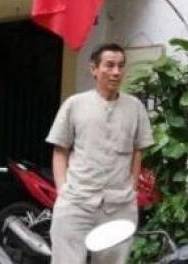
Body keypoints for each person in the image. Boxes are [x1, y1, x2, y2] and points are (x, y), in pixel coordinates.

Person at [46, 42, 153, 264]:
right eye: (110, 65)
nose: (116, 72)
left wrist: (131, 188)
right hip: (77, 201)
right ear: (94, 69)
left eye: (121, 66)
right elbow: (60, 150)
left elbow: (137, 151)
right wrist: (62, 190)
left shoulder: (135, 107)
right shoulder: (74, 104)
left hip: (119, 205)